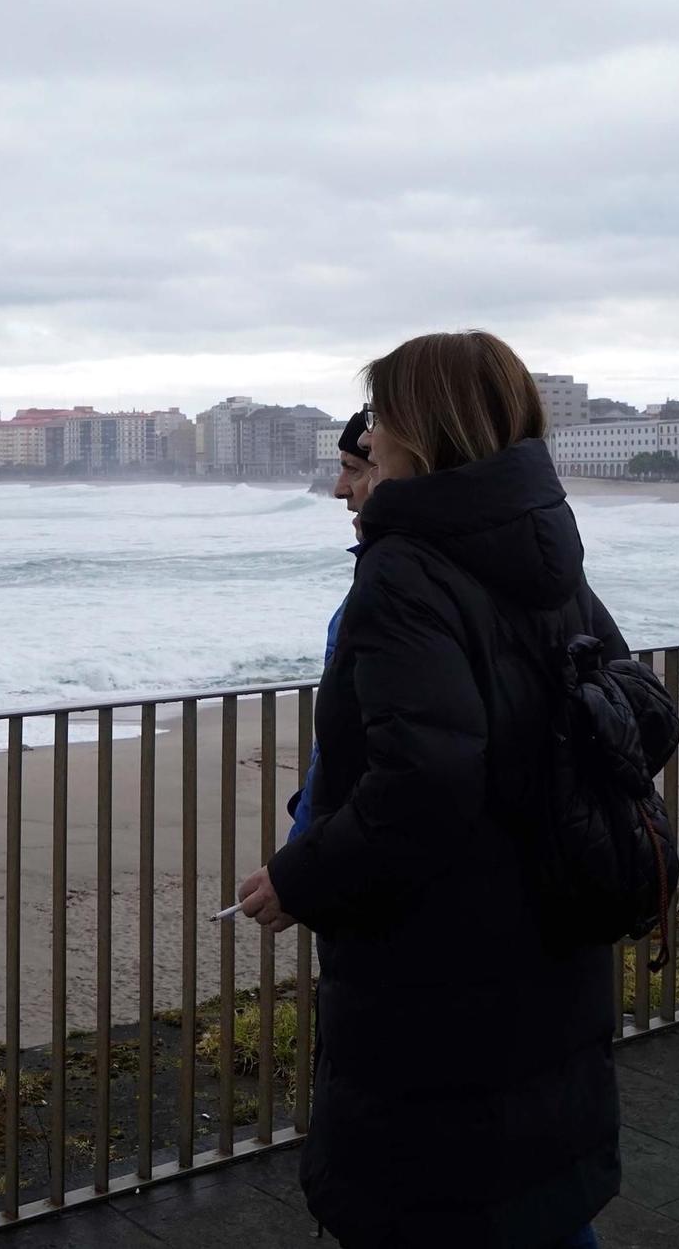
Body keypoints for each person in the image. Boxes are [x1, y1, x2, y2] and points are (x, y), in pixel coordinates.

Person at [238, 332, 624, 1248]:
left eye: (378, 419)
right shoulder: (545, 550)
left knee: (423, 1200)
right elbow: (626, 712)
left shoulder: (406, 567)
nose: (365, 446)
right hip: (548, 935)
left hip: (437, 964)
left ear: (422, 428)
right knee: (537, 1196)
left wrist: (304, 875)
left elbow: (427, 779)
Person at [288, 412, 377, 840]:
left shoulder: (399, 591)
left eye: (353, 468)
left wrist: (310, 862)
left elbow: (413, 767)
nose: (340, 489)